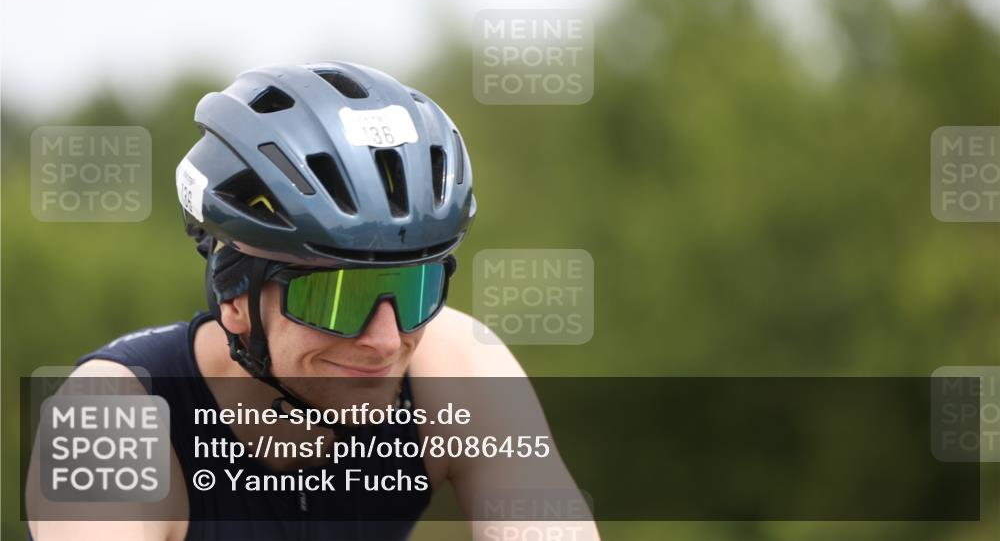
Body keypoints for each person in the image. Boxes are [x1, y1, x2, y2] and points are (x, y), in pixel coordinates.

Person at [26, 62, 598, 541]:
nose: (383, 340)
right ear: (235, 297)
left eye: (414, 290)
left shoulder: (453, 361)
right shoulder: (110, 419)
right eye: (336, 297)